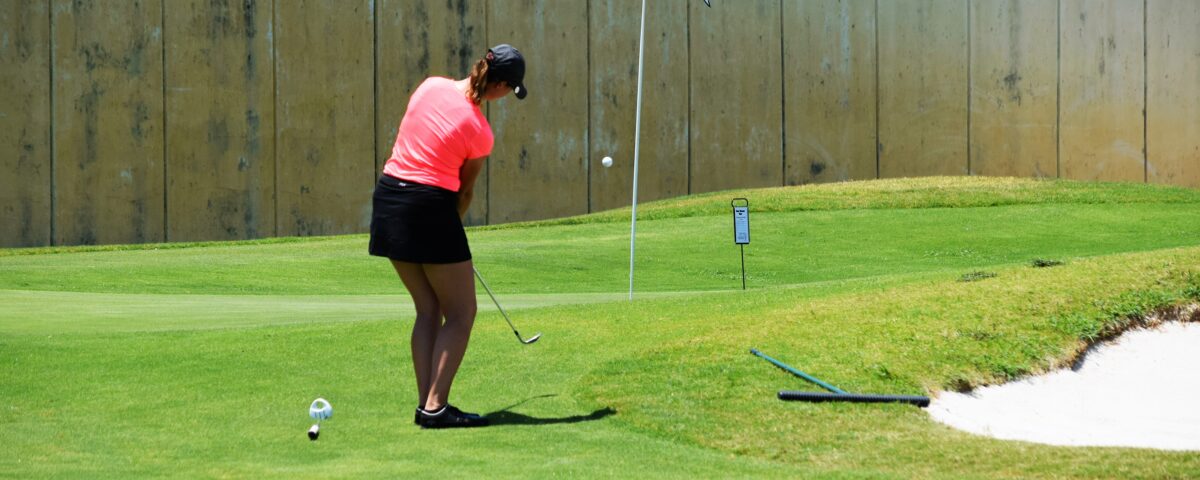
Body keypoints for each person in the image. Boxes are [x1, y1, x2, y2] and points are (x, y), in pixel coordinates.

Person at [369, 44, 528, 429]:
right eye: (511, 90)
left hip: (389, 199)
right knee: (461, 312)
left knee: (427, 309)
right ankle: (437, 406)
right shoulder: (480, 131)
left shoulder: (429, 86)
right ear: (502, 86)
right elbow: (464, 191)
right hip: (429, 206)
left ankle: (428, 405)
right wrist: (448, 234)